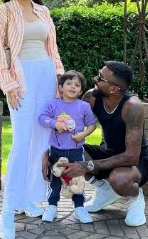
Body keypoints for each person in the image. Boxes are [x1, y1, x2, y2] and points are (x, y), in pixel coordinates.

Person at [0, 0, 64, 239]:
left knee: (42, 140)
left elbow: (52, 49)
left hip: (45, 75)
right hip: (20, 78)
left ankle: (29, 198)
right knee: (21, 142)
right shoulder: (4, 11)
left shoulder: (43, 11)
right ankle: (7, 211)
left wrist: (59, 79)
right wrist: (7, 84)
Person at [58, 61, 148, 227]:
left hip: (135, 163)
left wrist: (87, 166)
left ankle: (135, 196)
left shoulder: (133, 107)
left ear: (114, 89)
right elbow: (72, 125)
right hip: (107, 152)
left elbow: (131, 156)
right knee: (66, 153)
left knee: (119, 179)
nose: (95, 78)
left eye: (100, 78)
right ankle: (104, 190)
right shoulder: (91, 97)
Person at [38, 70, 96, 224]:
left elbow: (92, 125)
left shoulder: (83, 106)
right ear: (61, 88)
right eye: (69, 83)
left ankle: (79, 208)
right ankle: (51, 206)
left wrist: (83, 135)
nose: (73, 87)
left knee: (76, 179)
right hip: (56, 151)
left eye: (77, 85)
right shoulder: (54, 104)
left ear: (81, 90)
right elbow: (42, 118)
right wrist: (54, 123)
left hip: (76, 151)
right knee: (55, 179)